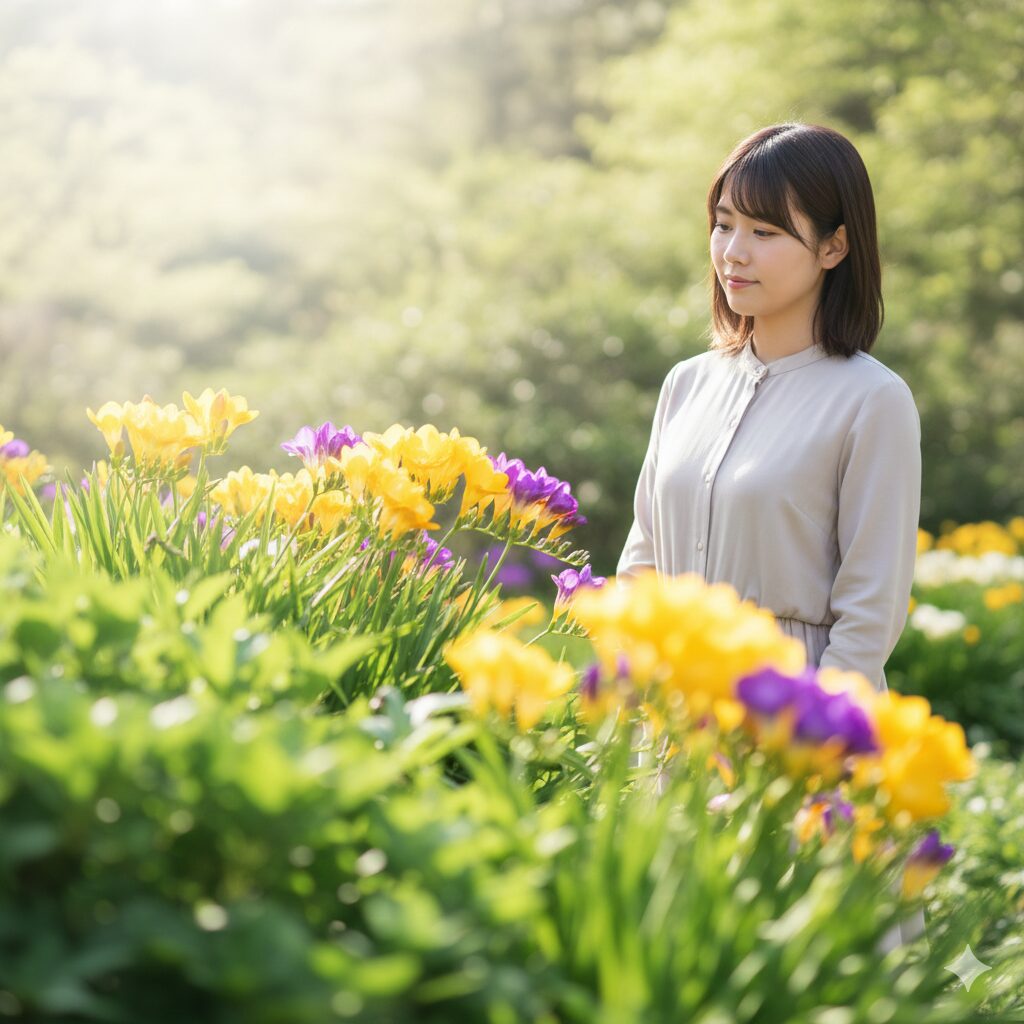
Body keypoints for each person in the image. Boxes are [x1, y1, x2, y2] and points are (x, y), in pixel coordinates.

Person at [617, 122, 922, 694]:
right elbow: (642, 565)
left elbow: (869, 615)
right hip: (671, 709)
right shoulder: (686, 384)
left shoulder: (872, 401)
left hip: (788, 709)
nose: (734, 252)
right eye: (723, 224)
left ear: (833, 246)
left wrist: (811, 729)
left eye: (764, 231)